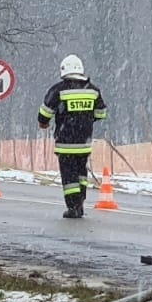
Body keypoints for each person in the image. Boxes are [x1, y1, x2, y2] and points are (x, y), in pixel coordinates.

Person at [37, 54, 109, 218]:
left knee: (69, 176)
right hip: (84, 142)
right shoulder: (92, 90)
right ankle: (80, 203)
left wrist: (44, 123)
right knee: (81, 173)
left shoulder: (59, 90)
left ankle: (73, 207)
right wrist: (86, 119)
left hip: (66, 142)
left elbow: (45, 112)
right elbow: (101, 113)